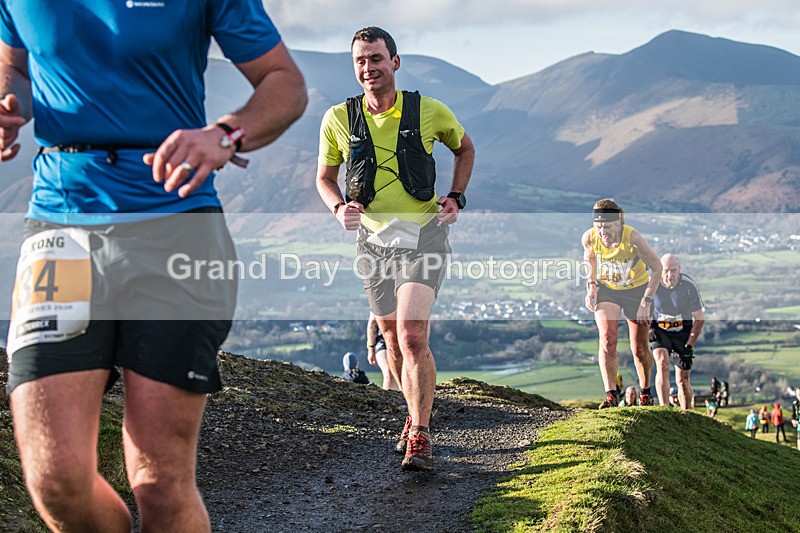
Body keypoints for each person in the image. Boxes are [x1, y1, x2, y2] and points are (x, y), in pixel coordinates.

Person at [0, 3, 307, 531]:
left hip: (175, 224)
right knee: (56, 480)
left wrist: (225, 135)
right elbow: (14, 67)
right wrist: (8, 104)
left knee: (159, 479)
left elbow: (284, 84)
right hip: (59, 226)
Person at [316, 27, 475, 471]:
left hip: (424, 235)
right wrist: (336, 209)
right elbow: (325, 179)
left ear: (395, 62)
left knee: (411, 334)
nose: (369, 67)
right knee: (392, 343)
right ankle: (412, 413)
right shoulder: (337, 119)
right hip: (372, 243)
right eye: (361, 61)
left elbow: (464, 149)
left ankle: (421, 434)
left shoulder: (428, 110)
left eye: (376, 58)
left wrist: (455, 196)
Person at [582, 199, 662, 409]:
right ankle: (611, 395)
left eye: (607, 227)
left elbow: (658, 268)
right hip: (607, 289)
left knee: (639, 348)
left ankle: (645, 393)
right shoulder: (590, 237)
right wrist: (591, 285)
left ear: (618, 223)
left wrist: (646, 301)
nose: (602, 232)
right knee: (608, 339)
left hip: (637, 292)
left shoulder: (632, 238)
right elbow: (589, 257)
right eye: (599, 227)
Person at [649, 254, 705, 411]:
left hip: (683, 332)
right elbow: (643, 309)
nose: (669, 275)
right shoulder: (652, 284)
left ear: (679, 270)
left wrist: (689, 346)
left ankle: (687, 412)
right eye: (665, 270)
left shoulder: (689, 286)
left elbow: (699, 319)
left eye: (673, 270)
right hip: (660, 330)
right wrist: (648, 329)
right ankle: (664, 409)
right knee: (662, 362)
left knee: (682, 379)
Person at [367, 312, 400, 391]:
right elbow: (372, 323)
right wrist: (370, 348)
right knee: (389, 372)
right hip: (383, 340)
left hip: (403, 339)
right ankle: (389, 401)